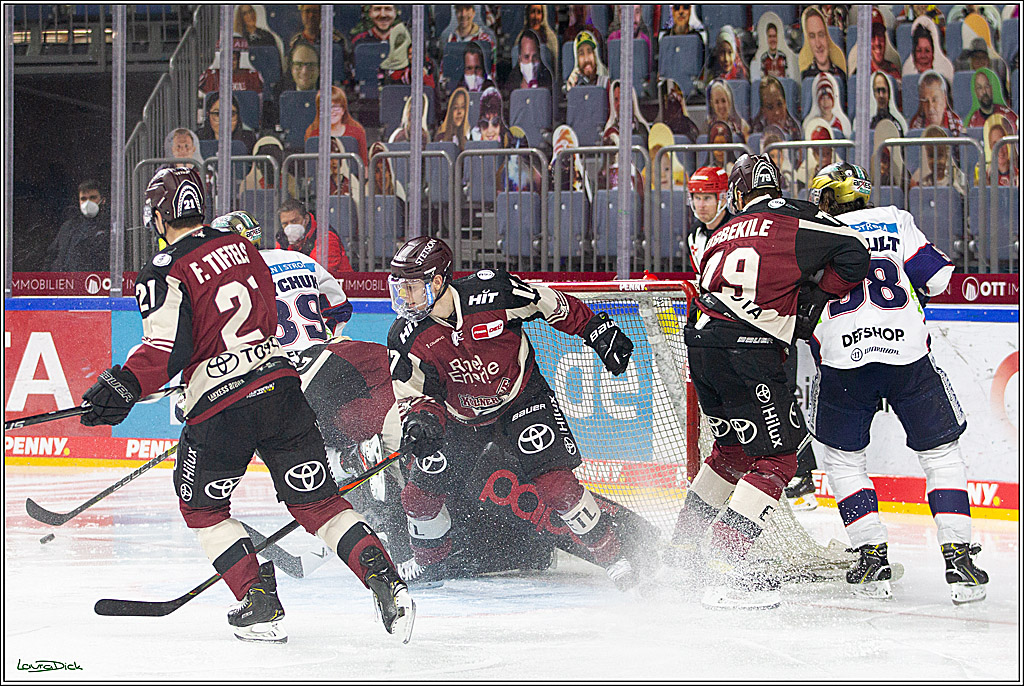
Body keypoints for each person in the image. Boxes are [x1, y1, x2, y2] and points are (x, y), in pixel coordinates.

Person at [79, 168, 413, 643]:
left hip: (222, 408)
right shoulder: (246, 250)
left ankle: (259, 602)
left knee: (204, 510)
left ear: (159, 215)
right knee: (319, 503)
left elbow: (164, 351)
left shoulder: (164, 268)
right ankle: (387, 581)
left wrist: (121, 385)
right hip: (282, 390)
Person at [385, 236, 659, 592]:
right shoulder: (405, 335)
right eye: (399, 287)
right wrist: (422, 421)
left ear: (437, 282)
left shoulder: (493, 294)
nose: (403, 297)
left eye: (410, 287)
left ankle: (614, 557)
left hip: (520, 398)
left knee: (556, 485)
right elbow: (415, 395)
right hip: (460, 417)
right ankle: (431, 564)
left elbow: (550, 303)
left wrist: (595, 329)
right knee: (419, 496)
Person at [669, 154, 870, 609]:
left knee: (731, 453)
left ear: (737, 195)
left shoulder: (721, 233)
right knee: (779, 459)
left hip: (701, 346)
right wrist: (814, 300)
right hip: (748, 351)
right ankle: (725, 562)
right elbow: (856, 251)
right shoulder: (793, 217)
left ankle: (682, 550)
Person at [806, 161, 989, 604]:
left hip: (842, 357)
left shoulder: (812, 228)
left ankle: (872, 557)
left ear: (829, 197)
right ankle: (959, 558)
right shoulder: (894, 218)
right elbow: (940, 279)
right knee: (940, 453)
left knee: (843, 460)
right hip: (907, 353)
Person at [277, 197, 354, 276]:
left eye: (294, 221)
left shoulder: (326, 237)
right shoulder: (282, 239)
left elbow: (318, 271)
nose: (290, 227)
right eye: (285, 224)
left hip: (339, 282)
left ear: (306, 219)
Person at [46, 180, 110, 272]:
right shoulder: (68, 227)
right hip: (65, 279)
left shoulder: (111, 228)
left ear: (103, 200)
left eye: (93, 198)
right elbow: (51, 256)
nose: (88, 202)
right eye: (83, 199)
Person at [304, 86, 368, 165]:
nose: (331, 111)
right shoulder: (313, 134)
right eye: (326, 107)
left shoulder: (357, 132)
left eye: (335, 107)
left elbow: (364, 165)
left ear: (343, 110)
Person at [684, 166, 729, 272]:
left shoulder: (737, 232)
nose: (701, 205)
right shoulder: (693, 235)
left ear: (723, 199)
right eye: (697, 198)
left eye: (707, 198)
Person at [440, 5, 497, 80]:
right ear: (455, 13)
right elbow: (443, 74)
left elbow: (491, 74)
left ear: (473, 12)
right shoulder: (450, 39)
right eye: (459, 10)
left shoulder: (485, 40)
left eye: (467, 9)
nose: (463, 14)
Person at [197, 35, 265, 96]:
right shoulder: (211, 76)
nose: (230, 63)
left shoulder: (252, 76)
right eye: (226, 59)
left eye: (233, 59)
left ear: (239, 60)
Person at [799, 5, 847, 90]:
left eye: (821, 35)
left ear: (827, 37)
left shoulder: (840, 74)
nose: (818, 44)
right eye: (812, 36)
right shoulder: (806, 76)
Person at [849, 8, 902, 84]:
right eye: (872, 36)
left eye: (880, 35)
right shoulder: (859, 74)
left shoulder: (893, 70)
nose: (877, 42)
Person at [911, 125, 968, 195]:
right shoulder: (922, 183)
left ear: (946, 156)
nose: (936, 161)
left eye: (940, 156)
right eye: (931, 156)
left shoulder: (956, 181)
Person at [908, 70, 966, 136]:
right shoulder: (915, 127)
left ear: (944, 101)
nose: (930, 107)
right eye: (926, 101)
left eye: (934, 100)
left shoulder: (957, 126)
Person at [902, 16, 954, 83]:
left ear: (933, 53)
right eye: (919, 51)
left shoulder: (945, 74)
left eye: (927, 51)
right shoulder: (907, 74)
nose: (923, 55)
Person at [504, 29, 553, 96]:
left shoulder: (548, 87)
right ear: (520, 59)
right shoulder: (511, 88)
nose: (531, 63)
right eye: (526, 57)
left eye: (535, 57)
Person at [803, 72, 852, 138]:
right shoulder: (810, 123)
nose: (826, 102)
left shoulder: (842, 123)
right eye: (822, 98)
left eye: (829, 98)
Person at [751, 75, 801, 140]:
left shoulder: (794, 128)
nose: (777, 112)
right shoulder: (756, 128)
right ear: (763, 110)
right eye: (770, 107)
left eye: (780, 104)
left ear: (785, 103)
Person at [752, 13, 798, 81]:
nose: (772, 39)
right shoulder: (764, 58)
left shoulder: (783, 56)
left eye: (774, 36)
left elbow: (787, 77)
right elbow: (761, 78)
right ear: (767, 38)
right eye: (770, 36)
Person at [656, 78, 700, 144]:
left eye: (674, 105)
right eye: (669, 104)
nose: (672, 109)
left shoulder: (689, 126)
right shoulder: (659, 128)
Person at [706, 79, 750, 143]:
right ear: (712, 105)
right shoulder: (707, 128)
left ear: (729, 101)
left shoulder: (741, 125)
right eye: (717, 102)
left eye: (723, 101)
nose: (721, 106)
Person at [983, 114, 1019, 187]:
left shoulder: (1018, 174)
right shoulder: (985, 177)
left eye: (1002, 143)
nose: (1000, 149)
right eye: (995, 144)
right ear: (991, 147)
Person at [869, 71, 908, 136]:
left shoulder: (898, 123)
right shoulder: (863, 124)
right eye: (878, 91)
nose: (881, 95)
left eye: (883, 90)